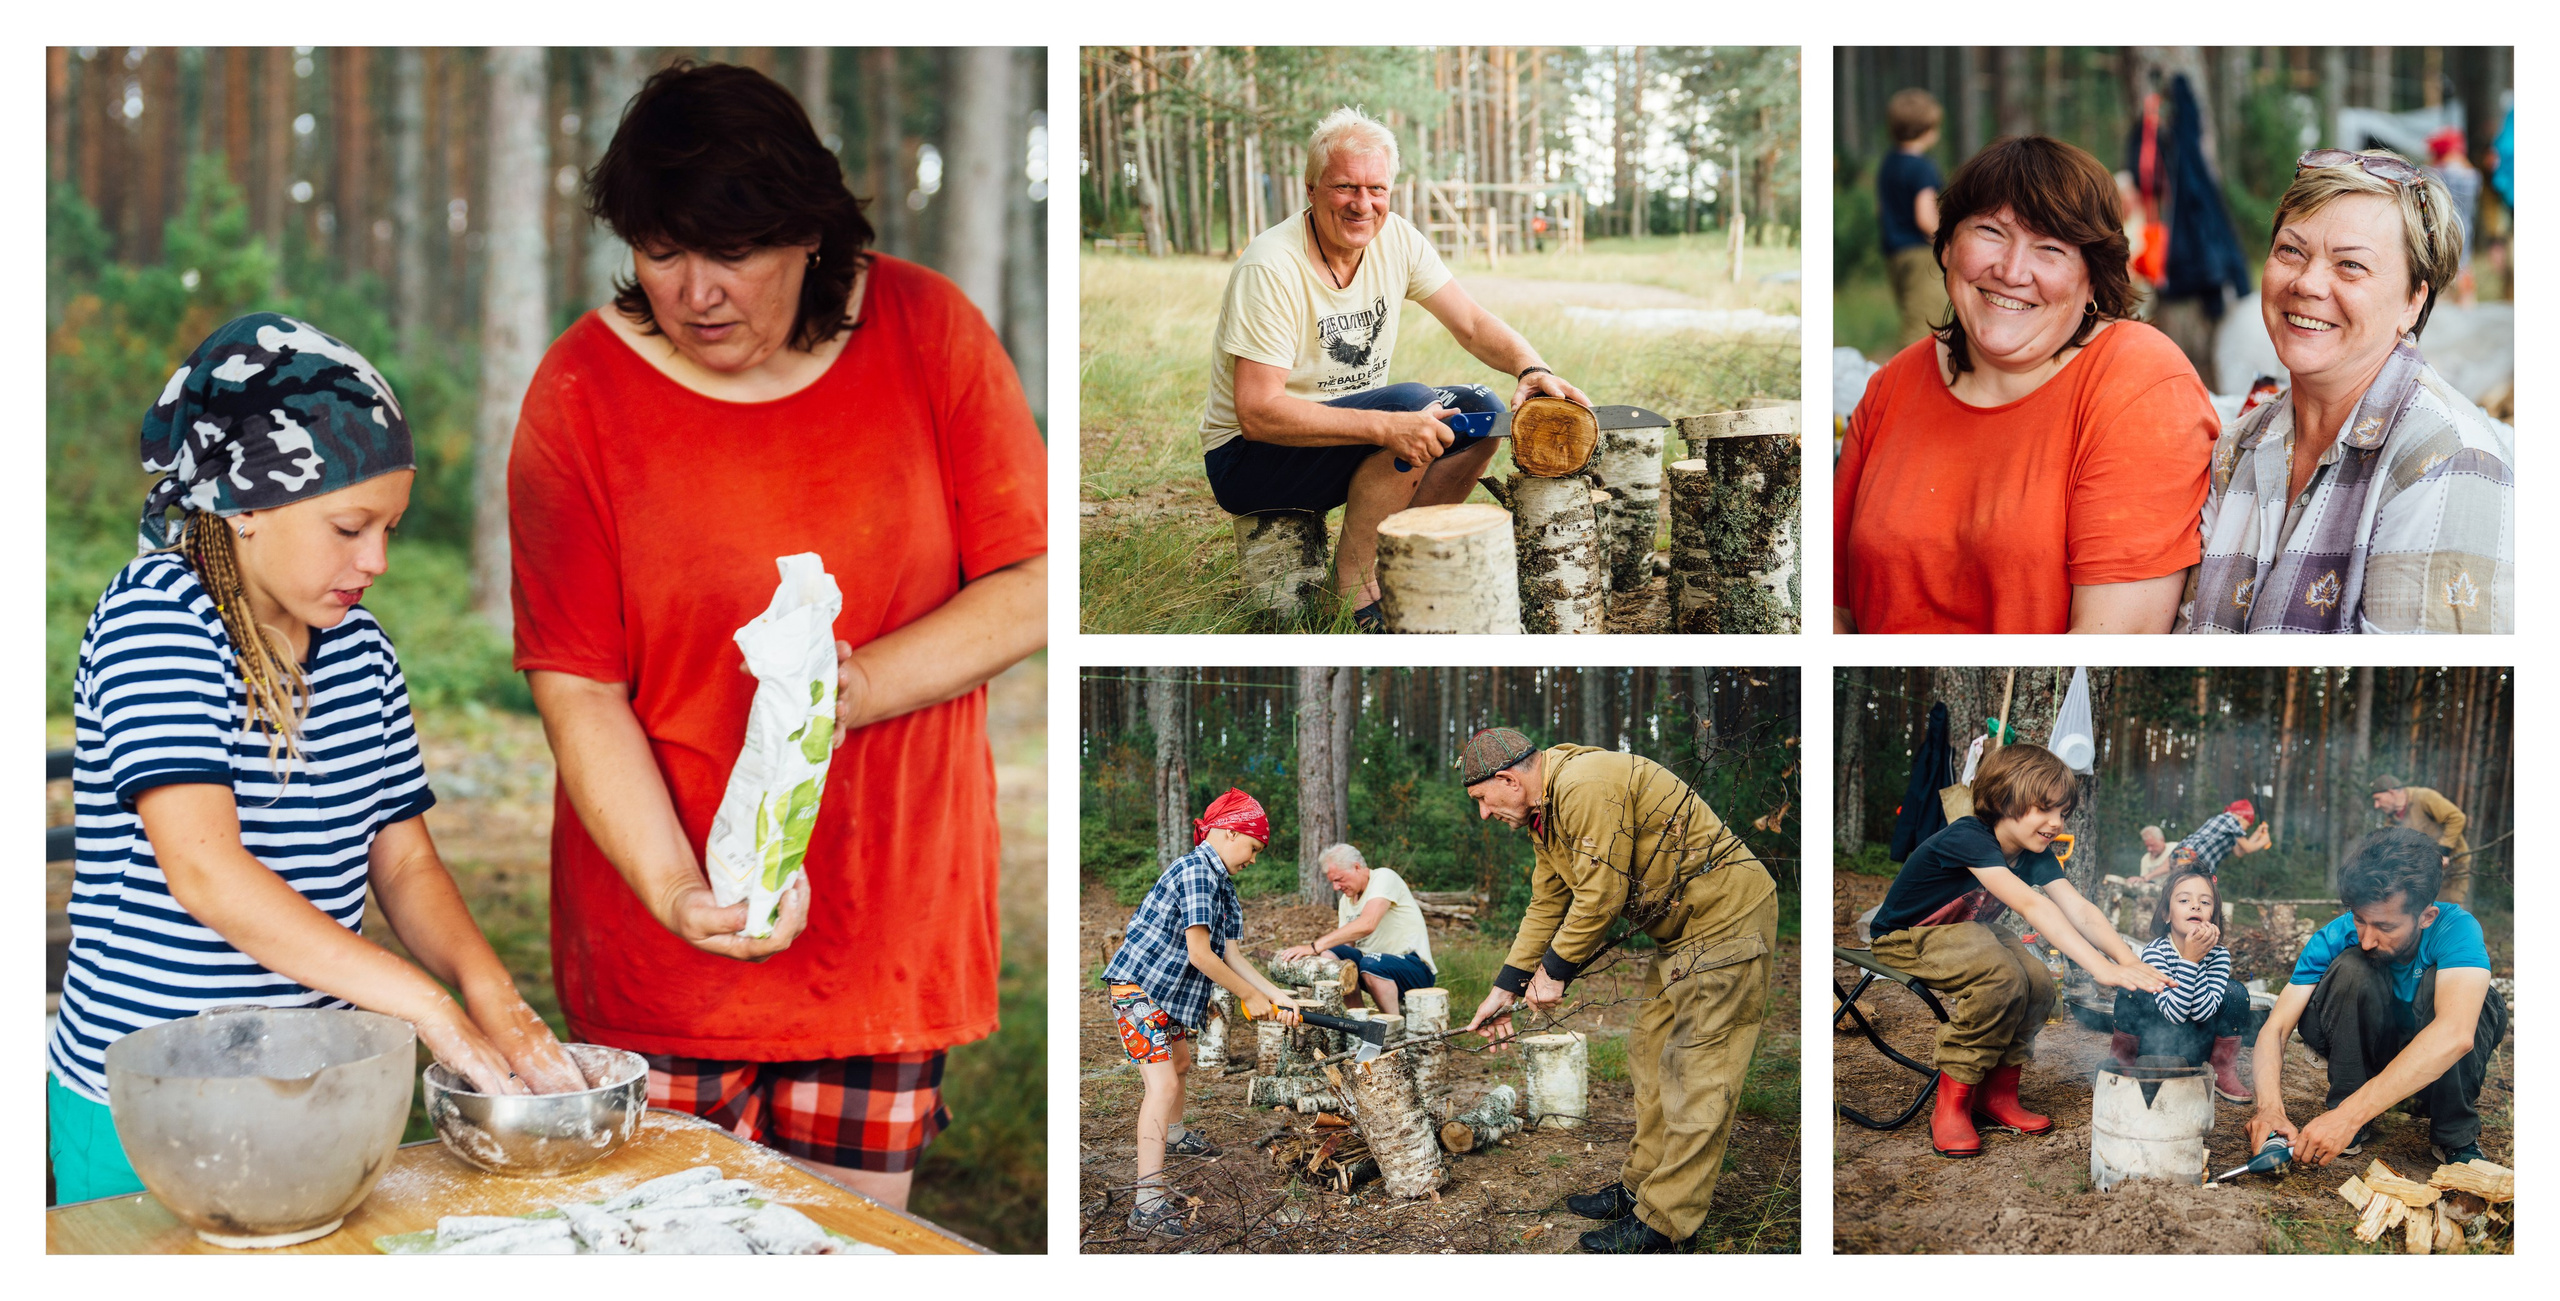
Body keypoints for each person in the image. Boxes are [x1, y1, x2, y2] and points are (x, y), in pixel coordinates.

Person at [509, 63, 1046, 1210]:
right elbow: (579, 685)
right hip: (664, 947)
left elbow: (1034, 582)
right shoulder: (580, 391)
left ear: (808, 230)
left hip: (884, 919)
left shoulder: (929, 331)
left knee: (842, 1253)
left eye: (733, 252)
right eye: (661, 252)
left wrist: (840, 692)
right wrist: (673, 891)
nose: (696, 292)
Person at [48, 314, 585, 1204]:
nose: (374, 559)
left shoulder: (360, 649)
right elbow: (209, 872)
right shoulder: (159, 618)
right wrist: (424, 1006)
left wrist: (495, 998)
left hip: (314, 1089)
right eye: (348, 526)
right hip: (147, 1107)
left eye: (390, 529)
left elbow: (404, 860)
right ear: (249, 505)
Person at [1199, 106, 1593, 630]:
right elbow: (1257, 413)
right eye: (1345, 187)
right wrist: (1387, 424)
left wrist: (1529, 366)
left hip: (1337, 443)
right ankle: (1356, 595)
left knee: (1480, 412)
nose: (1363, 204)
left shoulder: (1397, 240)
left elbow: (1471, 323)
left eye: (1377, 189)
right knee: (1409, 406)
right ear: (1311, 189)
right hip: (1251, 460)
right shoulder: (1271, 266)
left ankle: (1402, 565)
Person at [1835, 135, 2217, 634]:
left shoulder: (2139, 382)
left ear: (2094, 279)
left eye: (2051, 248)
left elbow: (2112, 641)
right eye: (1991, 231)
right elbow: (1831, 607)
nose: (2012, 271)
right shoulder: (1892, 385)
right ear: (1947, 244)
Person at [1458, 729, 1776, 1254]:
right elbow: (1547, 903)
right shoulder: (1547, 813)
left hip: (1726, 920)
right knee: (1651, 1052)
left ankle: (1667, 1224)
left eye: (1482, 801)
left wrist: (1555, 971)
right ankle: (1640, 1189)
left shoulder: (1584, 785)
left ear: (1508, 780)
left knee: (1696, 1069)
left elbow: (1601, 894)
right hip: (1681, 932)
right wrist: (1506, 987)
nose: (1484, 814)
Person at [2179, 149, 2513, 634]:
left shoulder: (2447, 461)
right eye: (2291, 250)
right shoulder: (2239, 447)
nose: (2307, 283)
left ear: (2413, 300)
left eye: (2350, 265)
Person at [1862, 744, 2169, 1160]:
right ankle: (1951, 1105)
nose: (2056, 823)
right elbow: (2032, 905)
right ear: (2006, 799)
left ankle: (1997, 1095)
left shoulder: (2034, 852)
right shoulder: (1969, 836)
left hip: (1969, 933)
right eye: (2045, 809)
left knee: (2041, 983)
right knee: (2001, 980)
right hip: (1906, 936)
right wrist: (2098, 967)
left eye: (2063, 812)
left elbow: (2078, 908)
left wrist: (2127, 961)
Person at [1102, 790, 1305, 1237]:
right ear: (1229, 832)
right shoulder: (1195, 871)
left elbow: (1232, 954)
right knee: (1162, 1084)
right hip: (1138, 990)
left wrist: (1276, 995)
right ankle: (1146, 1202)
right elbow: (1200, 954)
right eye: (1253, 848)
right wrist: (1250, 998)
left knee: (1181, 1064)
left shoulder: (1224, 887)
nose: (1254, 859)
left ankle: (1172, 1137)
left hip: (1168, 997)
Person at [2249, 829, 2507, 1167]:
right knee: (2352, 965)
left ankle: (2454, 1135)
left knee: (2478, 999)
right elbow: (2277, 1028)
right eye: (2359, 919)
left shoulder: (2454, 928)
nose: (2368, 938)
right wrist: (2269, 1108)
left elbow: (2455, 1035)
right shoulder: (2334, 937)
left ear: (2426, 917)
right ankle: (2351, 1112)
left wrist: (2348, 1116)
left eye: (2385, 927)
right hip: (2368, 1054)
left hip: (2432, 1067)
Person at [2109, 869, 2254, 1103]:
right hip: (2155, 1045)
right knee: (2132, 987)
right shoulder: (2156, 951)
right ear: (2166, 914)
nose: (2195, 906)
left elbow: (2201, 1012)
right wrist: (2189, 960)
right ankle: (2122, 1063)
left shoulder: (2219, 955)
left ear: (2213, 918)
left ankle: (2222, 1071)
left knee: (2236, 992)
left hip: (2198, 1046)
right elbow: (2175, 1014)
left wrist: (2197, 960)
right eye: (2184, 900)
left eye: (2205, 902)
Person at [1274, 843, 1437, 1017]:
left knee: (1371, 963)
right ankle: (1359, 1020)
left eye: (1339, 879)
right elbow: (1346, 945)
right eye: (1333, 882)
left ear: (1357, 867)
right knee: (1334, 957)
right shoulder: (1346, 900)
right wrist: (1316, 956)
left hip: (1414, 968)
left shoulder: (1384, 877)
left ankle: (1391, 1029)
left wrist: (1314, 946)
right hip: (1374, 967)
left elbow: (1368, 923)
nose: (1336, 887)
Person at [1878, 89, 1950, 349]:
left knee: (1913, 315)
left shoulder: (1889, 163)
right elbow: (1925, 217)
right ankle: (1904, 384)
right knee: (1922, 326)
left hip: (1895, 254)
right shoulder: (1922, 168)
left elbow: (1881, 209)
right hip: (1921, 254)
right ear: (1928, 129)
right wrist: (1947, 243)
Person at [2371, 775, 2472, 904]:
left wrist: (2444, 852)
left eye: (2378, 799)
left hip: (2453, 865)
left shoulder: (2424, 797)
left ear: (2391, 792)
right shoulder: (2392, 821)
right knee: (2422, 910)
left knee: (2448, 908)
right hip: (2426, 871)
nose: (2376, 805)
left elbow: (2457, 818)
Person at [2425, 127, 2480, 307]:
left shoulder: (2433, 172)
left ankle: (2439, 300)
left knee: (2438, 265)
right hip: (2465, 226)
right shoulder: (2471, 174)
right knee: (2463, 265)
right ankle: (2467, 301)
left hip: (2441, 227)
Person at [2148, 799, 2271, 880]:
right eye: (2247, 825)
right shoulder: (2230, 819)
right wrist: (2263, 841)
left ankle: (2146, 878)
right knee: (2191, 889)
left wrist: (2257, 833)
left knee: (2183, 886)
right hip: (2194, 856)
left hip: (2183, 851)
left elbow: (2240, 851)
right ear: (2241, 816)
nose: (2245, 829)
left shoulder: (2228, 831)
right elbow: (2248, 848)